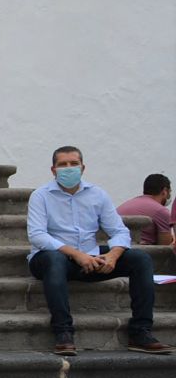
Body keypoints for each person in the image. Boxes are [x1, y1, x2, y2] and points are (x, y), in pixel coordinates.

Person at [28, 146, 172, 356]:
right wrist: (76, 254)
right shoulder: (40, 196)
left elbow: (119, 231)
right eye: (63, 164)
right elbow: (38, 236)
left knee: (141, 259)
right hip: (52, 260)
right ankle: (63, 332)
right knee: (54, 259)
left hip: (91, 256)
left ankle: (140, 332)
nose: (69, 168)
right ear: (53, 170)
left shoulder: (98, 194)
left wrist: (113, 255)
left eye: (73, 164)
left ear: (83, 167)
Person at [117, 174, 174, 248]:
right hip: (142, 252)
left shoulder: (127, 204)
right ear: (165, 191)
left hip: (114, 248)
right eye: (170, 192)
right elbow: (164, 246)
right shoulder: (161, 211)